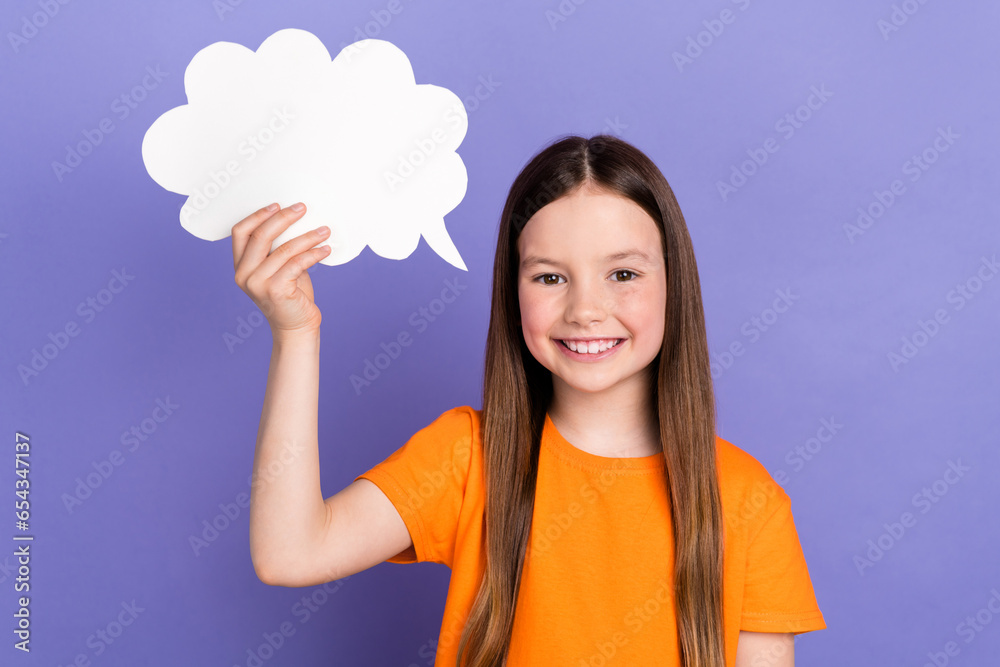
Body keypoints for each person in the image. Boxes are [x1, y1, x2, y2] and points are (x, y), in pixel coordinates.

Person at [233, 134, 826, 667]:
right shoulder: (468, 458)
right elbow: (289, 553)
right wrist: (295, 333)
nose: (585, 309)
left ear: (675, 285)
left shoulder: (748, 499)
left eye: (622, 274)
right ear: (513, 292)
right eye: (549, 277)